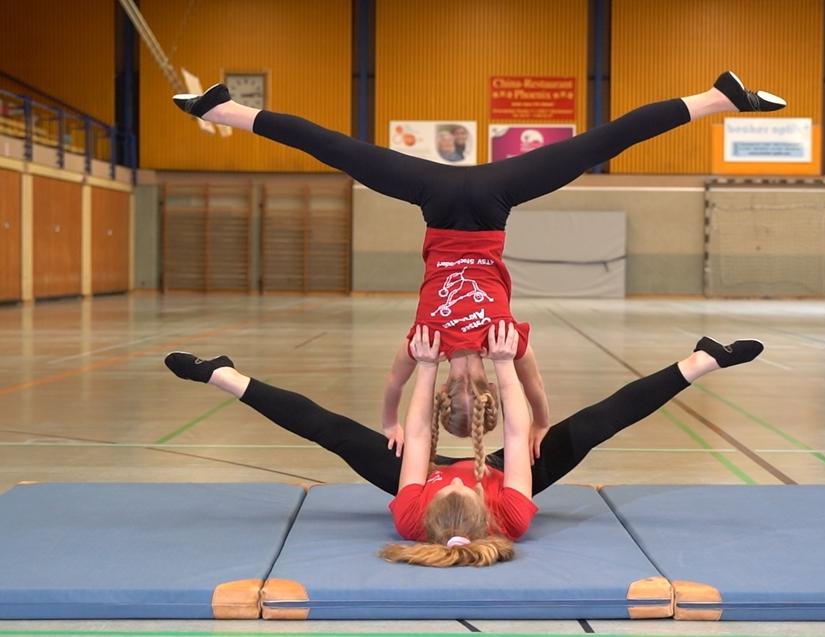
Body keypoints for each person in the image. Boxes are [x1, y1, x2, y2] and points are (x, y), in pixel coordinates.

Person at [172, 71, 785, 461]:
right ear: (487, 392)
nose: (464, 384)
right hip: (491, 207)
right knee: (600, 143)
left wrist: (391, 422)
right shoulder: (505, 347)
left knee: (336, 148)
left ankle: (221, 111)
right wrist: (542, 427)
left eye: (454, 393)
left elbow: (390, 388)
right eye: (476, 392)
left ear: (442, 395)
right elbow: (539, 392)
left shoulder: (424, 349)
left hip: (439, 206)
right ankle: (716, 99)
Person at [163, 328, 764, 567]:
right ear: (482, 499)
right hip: (509, 462)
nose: (452, 474)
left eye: (444, 480)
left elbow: (420, 437)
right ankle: (700, 361)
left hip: (446, 456)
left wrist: (426, 366)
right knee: (595, 427)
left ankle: (222, 374)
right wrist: (503, 362)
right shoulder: (513, 513)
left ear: (427, 503)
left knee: (335, 433)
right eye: (459, 480)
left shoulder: (410, 510)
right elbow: (515, 424)